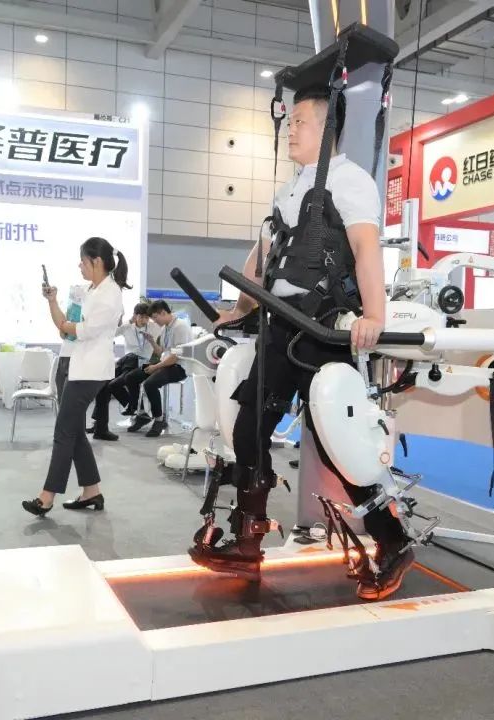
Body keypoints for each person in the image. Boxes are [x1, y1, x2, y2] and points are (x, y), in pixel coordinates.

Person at [189, 84, 413, 601]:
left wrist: (374, 314)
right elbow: (264, 259)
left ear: (328, 128)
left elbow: (365, 248)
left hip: (323, 327)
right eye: (289, 122)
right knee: (249, 429)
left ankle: (393, 541)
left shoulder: (351, 181)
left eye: (300, 122)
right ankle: (247, 541)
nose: (290, 130)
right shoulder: (289, 189)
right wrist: (240, 309)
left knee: (337, 445)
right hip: (280, 326)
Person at [21, 237, 129, 517]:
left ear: (97, 261)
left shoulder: (109, 294)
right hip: (81, 366)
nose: (79, 266)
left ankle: (46, 497)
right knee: (75, 431)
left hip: (90, 371)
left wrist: (66, 325)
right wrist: (53, 302)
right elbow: (65, 327)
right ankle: (92, 491)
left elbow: (81, 330)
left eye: (83, 261)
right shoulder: (91, 290)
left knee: (64, 431)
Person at [86, 302, 158, 440]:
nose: (144, 320)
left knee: (113, 384)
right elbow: (110, 334)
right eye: (141, 317)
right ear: (135, 316)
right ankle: (99, 423)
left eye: (146, 317)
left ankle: (137, 411)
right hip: (127, 360)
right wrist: (125, 320)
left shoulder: (153, 327)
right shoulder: (127, 327)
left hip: (142, 362)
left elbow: (163, 329)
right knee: (104, 384)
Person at [121, 300, 192, 438]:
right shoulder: (165, 328)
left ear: (163, 313)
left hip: (179, 367)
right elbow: (161, 352)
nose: (154, 321)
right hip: (164, 363)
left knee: (150, 384)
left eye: (155, 317)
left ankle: (159, 420)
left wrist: (156, 367)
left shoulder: (180, 327)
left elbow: (176, 357)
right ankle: (142, 415)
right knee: (131, 377)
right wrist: (152, 341)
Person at [54, 284, 89, 404]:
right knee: (62, 398)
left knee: (74, 400)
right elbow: (62, 335)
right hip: (64, 356)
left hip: (78, 357)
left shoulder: (89, 313)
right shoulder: (69, 310)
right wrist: (66, 325)